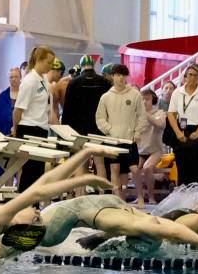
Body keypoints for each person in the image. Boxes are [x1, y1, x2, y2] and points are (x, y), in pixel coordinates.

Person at [0, 193, 198, 270]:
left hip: (72, 214)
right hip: (56, 223)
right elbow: (159, 227)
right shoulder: (128, 223)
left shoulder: (124, 219)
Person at [76, 195, 198, 256]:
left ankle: (100, 238)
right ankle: (99, 238)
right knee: (140, 233)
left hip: (183, 221)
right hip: (180, 221)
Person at [94, 63, 146, 199]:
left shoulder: (135, 94)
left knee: (134, 170)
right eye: (117, 75)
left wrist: (137, 132)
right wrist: (109, 129)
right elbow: (99, 118)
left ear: (126, 76)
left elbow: (142, 116)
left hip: (129, 139)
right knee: (114, 169)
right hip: (113, 140)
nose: (120, 78)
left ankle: (140, 197)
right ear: (112, 77)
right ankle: (118, 200)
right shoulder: (105, 97)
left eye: (123, 75)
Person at [12, 46, 56, 192]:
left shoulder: (42, 79)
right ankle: (23, 209)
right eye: (49, 63)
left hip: (41, 129)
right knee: (29, 174)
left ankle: (33, 207)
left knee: (37, 174)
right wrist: (15, 130)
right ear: (39, 60)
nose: (50, 66)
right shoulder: (29, 81)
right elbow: (18, 110)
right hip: (29, 130)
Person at [63, 54, 111, 176]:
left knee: (81, 163)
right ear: (93, 65)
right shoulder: (104, 82)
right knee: (99, 163)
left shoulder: (73, 83)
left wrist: (65, 130)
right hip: (98, 128)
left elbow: (67, 109)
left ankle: (80, 193)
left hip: (79, 129)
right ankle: (102, 193)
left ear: (82, 66)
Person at [167, 64, 198, 185]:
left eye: (195, 75)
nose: (192, 77)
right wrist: (177, 133)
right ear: (185, 76)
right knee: (182, 167)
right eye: (189, 75)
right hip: (181, 130)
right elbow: (171, 114)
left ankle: (196, 198)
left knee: (197, 167)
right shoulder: (177, 92)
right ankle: (183, 196)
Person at [134, 88, 167, 206]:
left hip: (155, 150)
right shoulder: (136, 115)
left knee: (147, 168)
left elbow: (159, 124)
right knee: (135, 169)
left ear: (152, 100)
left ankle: (151, 197)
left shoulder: (160, 113)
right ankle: (140, 197)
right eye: (142, 99)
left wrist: (145, 113)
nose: (144, 102)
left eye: (147, 99)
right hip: (140, 150)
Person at [0, 67, 21, 136]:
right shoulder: (3, 96)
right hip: (5, 132)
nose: (13, 79)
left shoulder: (25, 94)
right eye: (11, 77)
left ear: (20, 77)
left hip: (21, 131)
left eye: (16, 77)